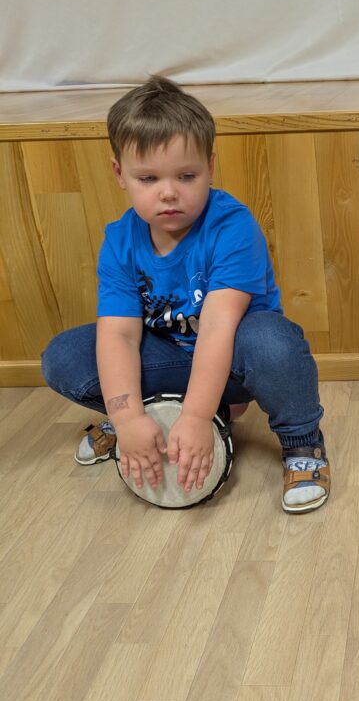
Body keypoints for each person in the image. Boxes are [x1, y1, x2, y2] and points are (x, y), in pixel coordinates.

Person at [42, 76, 330, 513]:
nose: (169, 192)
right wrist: (127, 417)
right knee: (64, 356)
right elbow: (119, 335)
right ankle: (155, 414)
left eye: (187, 175)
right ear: (120, 174)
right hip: (172, 358)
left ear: (210, 167)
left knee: (272, 341)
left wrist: (195, 418)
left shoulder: (232, 226)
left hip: (236, 359)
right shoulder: (120, 241)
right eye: (149, 178)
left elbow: (217, 326)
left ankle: (301, 444)